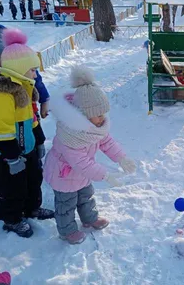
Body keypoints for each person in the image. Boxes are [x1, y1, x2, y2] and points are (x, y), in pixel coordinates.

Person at [44, 67, 136, 244]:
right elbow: (81, 163)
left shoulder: (94, 129)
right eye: (98, 115)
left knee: (86, 196)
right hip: (63, 174)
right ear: (84, 114)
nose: (102, 118)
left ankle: (89, 219)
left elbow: (106, 142)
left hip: (81, 175)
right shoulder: (70, 135)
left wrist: (121, 158)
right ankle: (67, 231)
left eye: (103, 114)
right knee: (66, 204)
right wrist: (105, 175)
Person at [0, 28, 54, 238]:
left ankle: (31, 208)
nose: (36, 74)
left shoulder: (24, 88)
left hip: (25, 149)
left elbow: (31, 118)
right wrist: (11, 157)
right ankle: (11, 218)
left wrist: (38, 140)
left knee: (33, 179)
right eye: (32, 70)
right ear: (18, 69)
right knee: (12, 188)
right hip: (7, 155)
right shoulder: (1, 96)